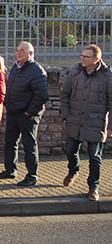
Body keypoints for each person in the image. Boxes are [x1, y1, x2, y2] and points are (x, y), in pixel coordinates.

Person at [60, 45, 112, 202]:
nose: (82, 59)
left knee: (94, 157)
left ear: (96, 59)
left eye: (86, 57)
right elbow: (64, 94)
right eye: (82, 56)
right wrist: (67, 115)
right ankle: (73, 170)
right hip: (75, 120)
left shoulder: (107, 76)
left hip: (96, 123)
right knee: (70, 149)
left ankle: (93, 187)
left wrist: (110, 127)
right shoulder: (75, 72)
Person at [0, 41, 48, 187]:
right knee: (10, 142)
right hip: (13, 112)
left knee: (29, 145)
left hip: (27, 114)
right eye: (17, 50)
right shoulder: (16, 67)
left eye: (22, 51)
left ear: (31, 54)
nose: (18, 53)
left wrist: (28, 112)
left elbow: (42, 95)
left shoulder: (37, 71)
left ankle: (32, 176)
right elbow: (10, 87)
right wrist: (7, 104)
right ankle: (10, 170)